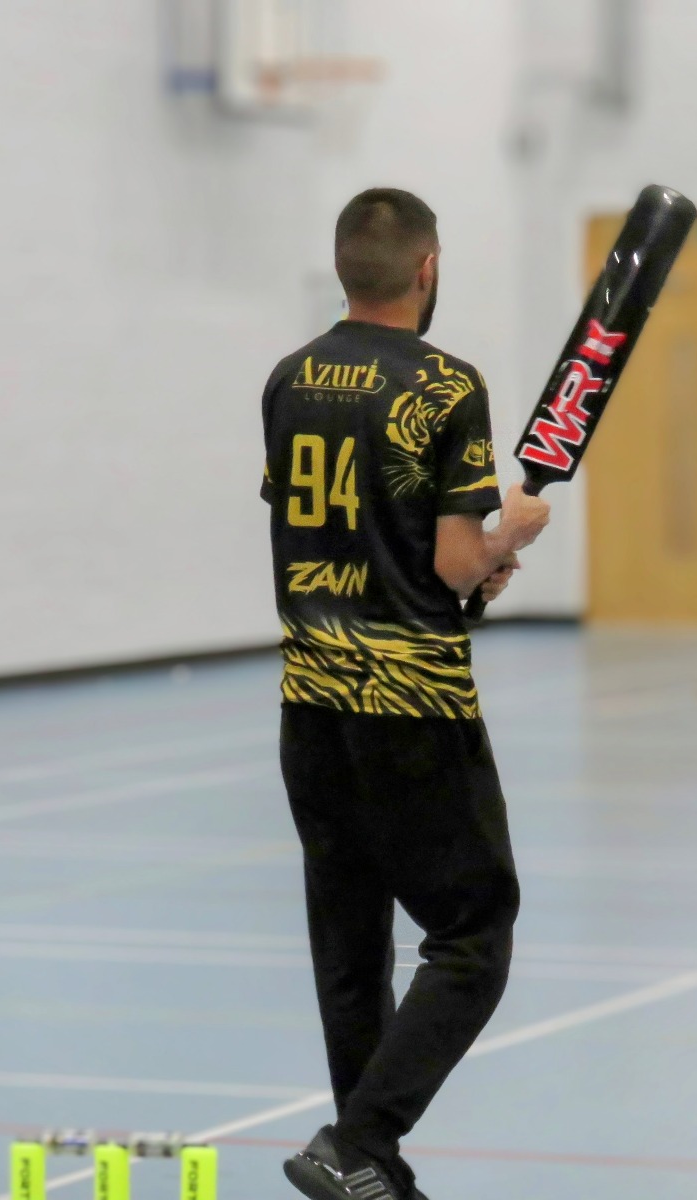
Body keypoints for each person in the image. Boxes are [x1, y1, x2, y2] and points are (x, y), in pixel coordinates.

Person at [260, 188, 550, 1200]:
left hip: (310, 703)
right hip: (410, 707)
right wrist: (506, 537)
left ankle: (368, 1178)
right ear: (426, 269)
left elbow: (354, 540)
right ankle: (361, 1143)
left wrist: (463, 571)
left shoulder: (288, 379)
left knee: (350, 948)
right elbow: (454, 558)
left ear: (346, 268)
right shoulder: (442, 383)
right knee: (474, 933)